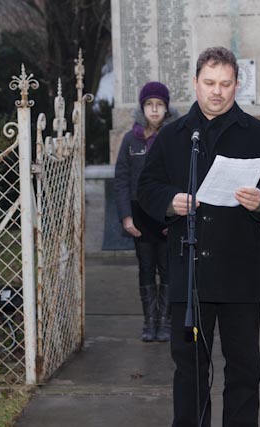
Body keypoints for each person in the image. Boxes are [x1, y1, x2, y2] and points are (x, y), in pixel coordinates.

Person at [138, 47, 260, 426]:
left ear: (237, 85)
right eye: (209, 83)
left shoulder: (259, 134)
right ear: (195, 83)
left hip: (239, 270)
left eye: (225, 84)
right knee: (189, 369)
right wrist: (170, 202)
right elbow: (146, 187)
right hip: (188, 271)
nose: (217, 92)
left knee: (244, 368)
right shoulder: (173, 136)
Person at [114, 81, 179, 342]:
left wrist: (175, 217)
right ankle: (149, 322)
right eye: (149, 104)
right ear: (142, 108)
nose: (154, 110)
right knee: (146, 267)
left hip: (166, 214)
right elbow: (121, 178)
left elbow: (182, 178)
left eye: (159, 104)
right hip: (139, 216)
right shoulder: (131, 139)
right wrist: (126, 216)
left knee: (168, 268)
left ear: (166, 108)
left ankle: (165, 322)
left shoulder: (174, 138)